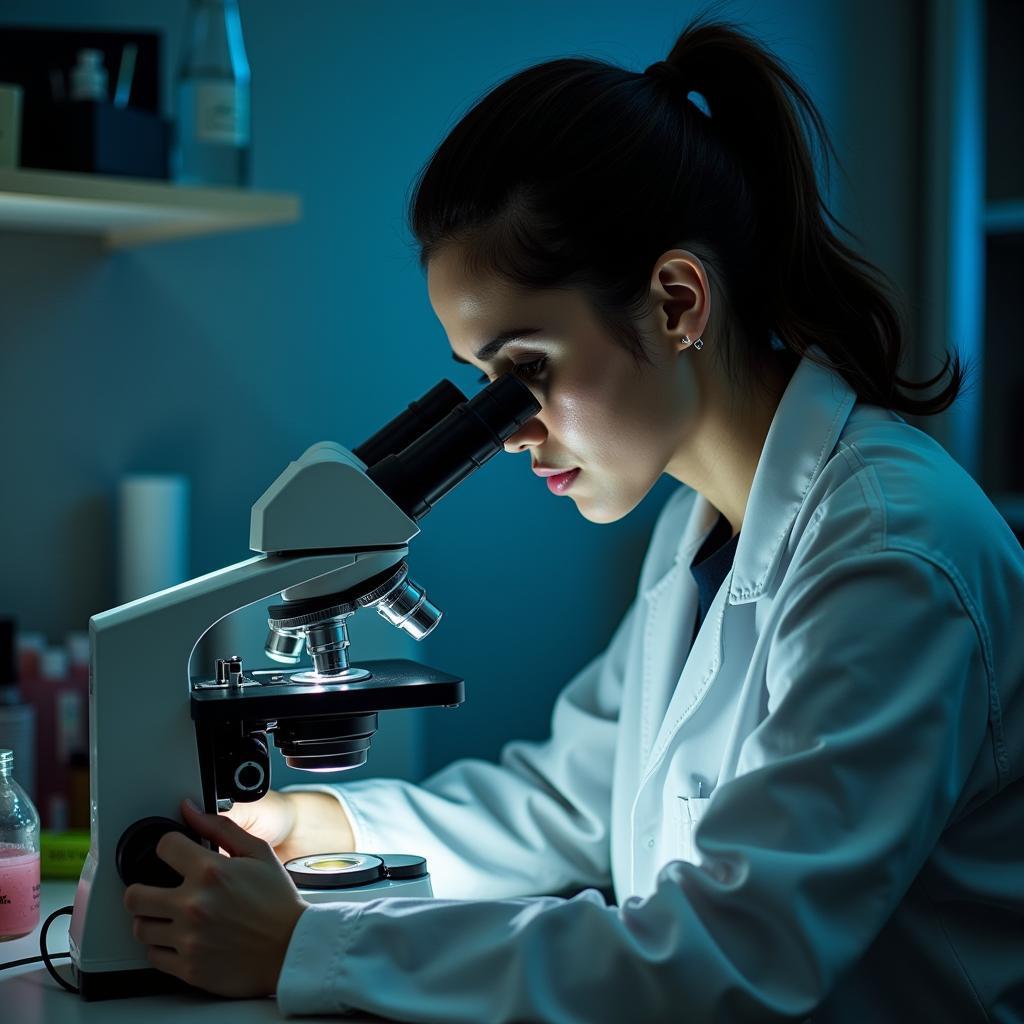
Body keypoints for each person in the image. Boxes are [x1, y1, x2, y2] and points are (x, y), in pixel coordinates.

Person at [123, 15, 1024, 1022]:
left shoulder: (892, 554)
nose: (504, 432)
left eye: (525, 375)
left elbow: (728, 952)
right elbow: (569, 802)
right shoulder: (704, 530)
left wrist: (313, 945)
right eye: (482, 387)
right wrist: (319, 821)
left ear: (677, 301)